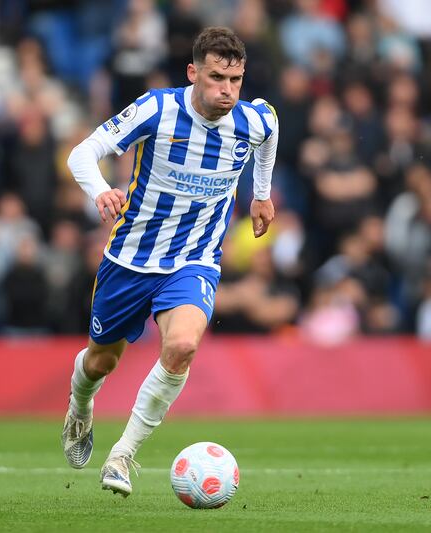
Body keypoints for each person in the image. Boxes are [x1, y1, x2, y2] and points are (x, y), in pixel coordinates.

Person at [63, 27, 278, 497]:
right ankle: (80, 406)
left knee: (182, 346)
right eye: (217, 77)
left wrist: (261, 195)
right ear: (193, 72)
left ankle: (122, 455)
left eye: (236, 80)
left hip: (194, 259)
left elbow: (269, 135)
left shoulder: (254, 119)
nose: (227, 90)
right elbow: (82, 154)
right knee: (101, 363)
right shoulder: (156, 110)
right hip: (131, 257)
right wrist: (100, 192)